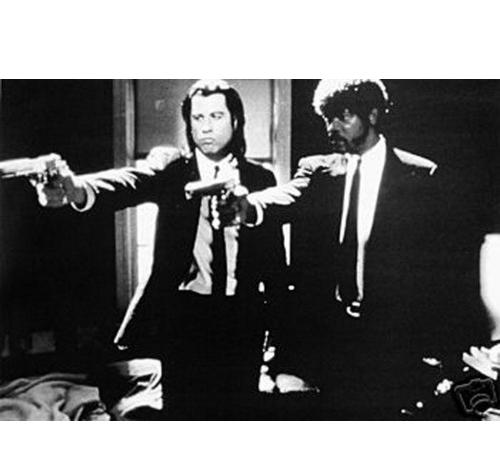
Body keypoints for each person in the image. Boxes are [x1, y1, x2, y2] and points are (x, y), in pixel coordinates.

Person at [36, 79, 286, 419]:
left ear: (236, 120)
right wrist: (76, 189)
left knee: (238, 412)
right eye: (197, 118)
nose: (206, 127)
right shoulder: (172, 171)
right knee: (184, 413)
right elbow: (128, 182)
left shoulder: (261, 179)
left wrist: (280, 334)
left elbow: (273, 260)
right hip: (185, 316)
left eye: (216, 116)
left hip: (243, 317)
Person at [241, 79, 454, 419]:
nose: (332, 127)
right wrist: (248, 205)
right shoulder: (318, 169)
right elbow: (287, 195)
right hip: (330, 338)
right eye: (327, 118)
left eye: (343, 117)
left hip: (390, 340)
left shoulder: (419, 175)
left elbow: (437, 270)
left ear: (373, 115)